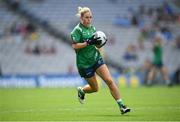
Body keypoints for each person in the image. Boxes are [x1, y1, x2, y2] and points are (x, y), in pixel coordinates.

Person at [70, 7, 130, 115]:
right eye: (87, 17)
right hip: (84, 64)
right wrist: (87, 43)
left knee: (109, 81)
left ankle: (122, 106)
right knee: (95, 88)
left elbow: (95, 44)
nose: (89, 19)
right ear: (81, 18)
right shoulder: (77, 30)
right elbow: (74, 46)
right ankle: (82, 91)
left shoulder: (92, 28)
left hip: (96, 58)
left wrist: (100, 43)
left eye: (90, 17)